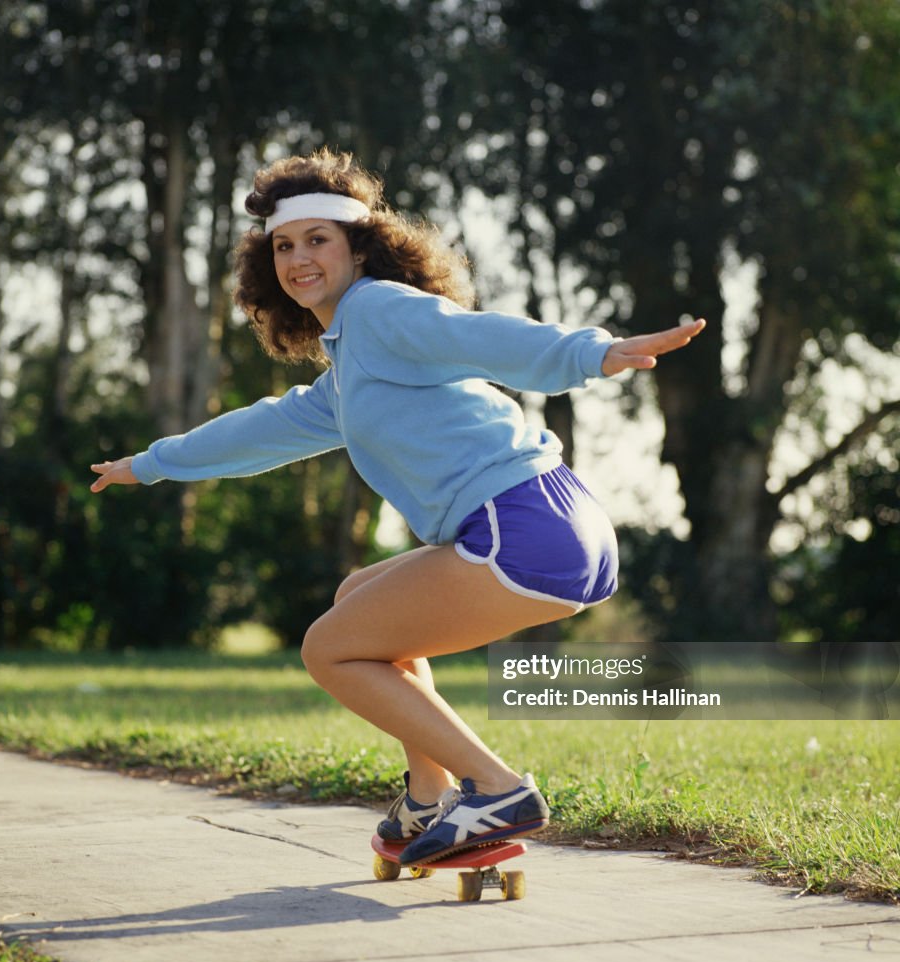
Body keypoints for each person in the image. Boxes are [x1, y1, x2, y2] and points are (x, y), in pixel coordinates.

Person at [90, 149, 705, 866]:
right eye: (284, 246)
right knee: (360, 599)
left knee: (330, 648)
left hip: (524, 526)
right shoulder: (351, 367)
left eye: (318, 239)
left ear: (360, 247)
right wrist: (153, 463)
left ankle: (497, 789)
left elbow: (473, 336)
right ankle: (427, 796)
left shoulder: (378, 310)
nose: (298, 259)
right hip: (551, 521)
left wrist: (591, 353)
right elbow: (267, 427)